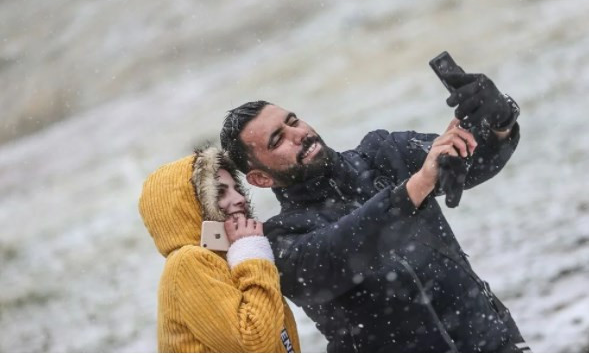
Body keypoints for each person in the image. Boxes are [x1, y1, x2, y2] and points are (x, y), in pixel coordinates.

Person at [220, 72, 531, 352]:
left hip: (494, 344)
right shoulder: (282, 240)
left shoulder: (383, 152)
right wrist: (416, 186)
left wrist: (498, 121)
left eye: (293, 121)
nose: (297, 133)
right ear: (261, 178)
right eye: (278, 139)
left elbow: (473, 161)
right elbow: (341, 249)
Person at [138, 147, 300, 352]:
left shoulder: (231, 258)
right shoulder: (189, 262)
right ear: (190, 206)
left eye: (237, 188)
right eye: (220, 192)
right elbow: (253, 341)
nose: (240, 198)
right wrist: (252, 256)